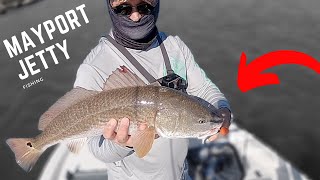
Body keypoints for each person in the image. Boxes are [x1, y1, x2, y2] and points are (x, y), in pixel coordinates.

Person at [73, 0, 232, 179]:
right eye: (123, 8)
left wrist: (223, 109)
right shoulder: (95, 67)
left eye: (144, 6)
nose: (135, 16)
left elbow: (204, 88)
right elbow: (96, 148)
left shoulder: (174, 46)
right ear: (110, 7)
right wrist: (123, 144)